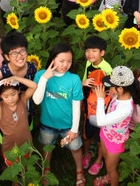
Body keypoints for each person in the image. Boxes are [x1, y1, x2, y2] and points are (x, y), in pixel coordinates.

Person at [33, 43, 85, 185]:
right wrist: (44, 79)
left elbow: (76, 105)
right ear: (53, 59)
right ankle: (46, 171)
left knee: (75, 148)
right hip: (47, 123)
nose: (65, 65)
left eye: (69, 61)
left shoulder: (74, 79)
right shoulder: (40, 75)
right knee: (47, 147)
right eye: (61, 61)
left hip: (68, 125)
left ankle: (79, 172)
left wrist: (74, 129)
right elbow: (37, 100)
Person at [90, 66, 140, 186]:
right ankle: (108, 175)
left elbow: (101, 121)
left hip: (115, 141)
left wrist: (100, 99)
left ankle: (111, 177)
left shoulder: (125, 109)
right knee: (105, 156)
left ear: (120, 89)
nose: (109, 88)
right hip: (106, 133)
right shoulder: (119, 96)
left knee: (111, 168)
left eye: (111, 86)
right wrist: (109, 95)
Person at [0, 77, 37, 167]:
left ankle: (24, 179)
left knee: (25, 165)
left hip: (26, 143)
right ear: (0, 96)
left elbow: (34, 86)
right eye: (6, 96)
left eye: (13, 94)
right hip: (10, 147)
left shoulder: (22, 100)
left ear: (18, 91)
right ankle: (15, 181)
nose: (10, 99)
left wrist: (16, 78)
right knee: (14, 170)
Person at [80, 36, 113, 173]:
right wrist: (84, 83)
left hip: (103, 107)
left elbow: (112, 89)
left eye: (94, 51)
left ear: (102, 53)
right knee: (87, 133)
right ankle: (87, 153)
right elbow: (84, 80)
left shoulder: (107, 68)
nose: (90, 54)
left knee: (101, 136)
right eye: (87, 50)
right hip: (89, 105)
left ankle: (99, 160)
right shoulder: (89, 64)